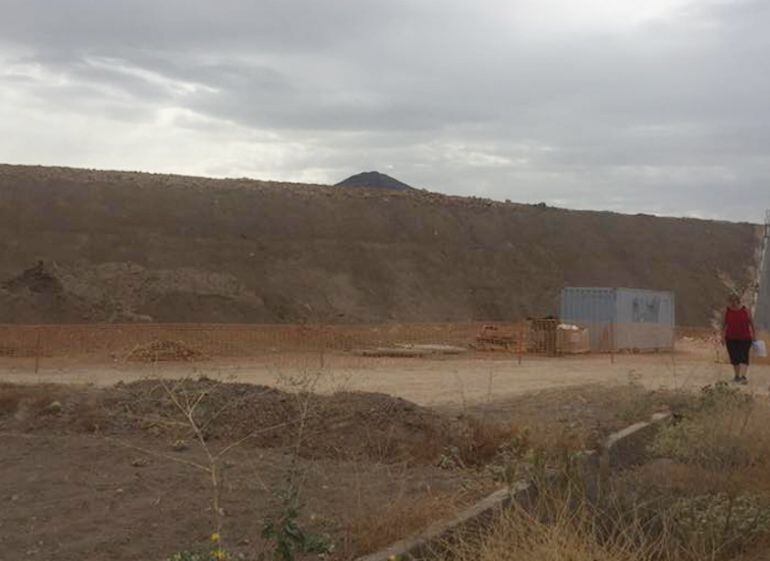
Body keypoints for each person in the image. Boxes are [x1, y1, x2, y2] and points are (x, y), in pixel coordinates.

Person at [722, 294, 756, 384]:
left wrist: (754, 335)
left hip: (745, 338)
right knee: (734, 357)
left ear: (738, 301)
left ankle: (743, 377)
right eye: (731, 302)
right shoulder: (727, 311)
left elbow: (752, 324)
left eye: (734, 301)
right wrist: (722, 337)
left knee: (744, 356)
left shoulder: (746, 311)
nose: (732, 304)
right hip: (731, 338)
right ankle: (737, 376)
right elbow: (724, 325)